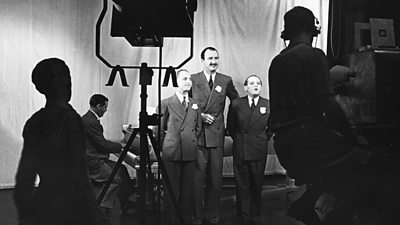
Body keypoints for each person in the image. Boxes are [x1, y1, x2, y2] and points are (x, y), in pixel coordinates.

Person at [268, 6, 365, 225]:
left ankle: (304, 208)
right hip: (308, 140)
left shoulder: (277, 62)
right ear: (312, 29)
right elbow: (327, 105)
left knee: (324, 178)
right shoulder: (313, 56)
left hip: (285, 144)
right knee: (361, 168)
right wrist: (352, 139)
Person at [14, 58, 105, 225]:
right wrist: (95, 214)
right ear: (53, 83)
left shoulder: (35, 121)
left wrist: (25, 215)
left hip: (45, 202)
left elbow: (24, 177)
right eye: (63, 76)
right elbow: (80, 172)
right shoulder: (70, 119)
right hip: (72, 207)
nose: (68, 81)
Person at [190, 47, 239, 225]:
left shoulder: (225, 80)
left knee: (215, 180)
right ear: (202, 60)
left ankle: (212, 217)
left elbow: (236, 103)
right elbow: (185, 104)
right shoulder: (193, 79)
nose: (213, 61)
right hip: (198, 135)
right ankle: (195, 217)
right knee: (197, 180)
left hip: (217, 136)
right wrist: (200, 116)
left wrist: (232, 126)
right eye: (209, 58)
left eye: (216, 58)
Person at [156, 69, 203, 225]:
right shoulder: (166, 103)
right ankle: (170, 221)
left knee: (187, 191)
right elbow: (159, 131)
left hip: (189, 152)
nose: (188, 81)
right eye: (184, 78)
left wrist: (190, 141)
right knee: (171, 191)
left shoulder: (196, 104)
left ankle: (185, 220)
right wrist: (167, 146)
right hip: (172, 152)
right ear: (177, 82)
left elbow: (198, 128)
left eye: (189, 78)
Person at [82, 94, 136, 217]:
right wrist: (122, 146)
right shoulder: (91, 122)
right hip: (93, 162)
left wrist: (116, 144)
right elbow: (103, 146)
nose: (106, 110)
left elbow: (100, 142)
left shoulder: (88, 118)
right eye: (105, 107)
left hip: (92, 158)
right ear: (98, 106)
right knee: (115, 178)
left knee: (121, 169)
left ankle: (127, 202)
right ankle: (101, 209)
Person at [227, 75, 270, 225]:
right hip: (241, 149)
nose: (255, 85)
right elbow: (231, 127)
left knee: (257, 184)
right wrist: (240, 140)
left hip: (259, 149)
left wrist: (260, 139)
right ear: (245, 88)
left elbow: (270, 128)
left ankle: (255, 216)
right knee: (242, 185)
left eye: (258, 83)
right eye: (252, 83)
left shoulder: (268, 104)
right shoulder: (237, 104)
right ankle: (243, 217)